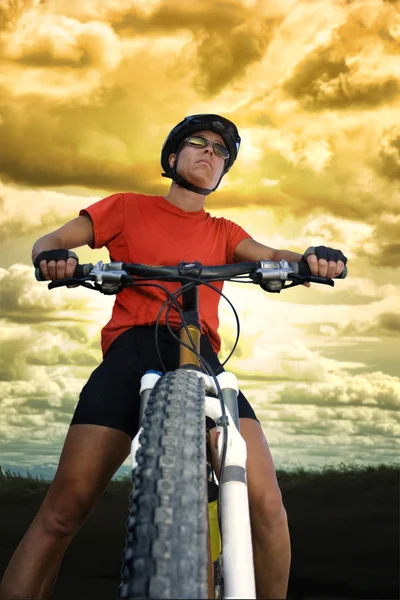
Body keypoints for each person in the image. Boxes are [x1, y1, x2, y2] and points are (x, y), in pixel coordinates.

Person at [0, 114, 347, 600]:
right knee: (63, 511)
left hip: (199, 352)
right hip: (133, 348)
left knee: (266, 506)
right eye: (198, 143)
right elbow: (52, 241)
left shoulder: (224, 231)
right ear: (172, 157)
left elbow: (274, 255)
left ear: (223, 170)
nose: (210, 153)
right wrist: (52, 259)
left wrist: (310, 258)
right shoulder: (125, 207)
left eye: (220, 151)